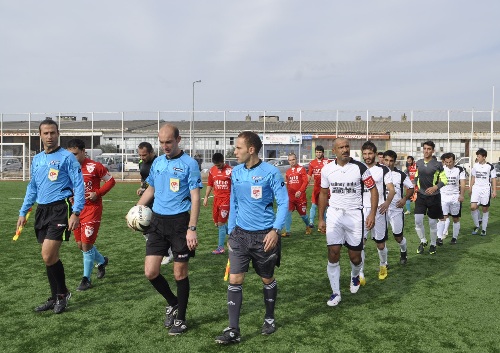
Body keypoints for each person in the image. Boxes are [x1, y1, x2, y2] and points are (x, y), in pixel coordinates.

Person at [215, 131, 288, 344]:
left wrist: (275, 230)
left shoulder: (271, 173)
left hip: (264, 236)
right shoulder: (235, 172)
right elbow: (234, 202)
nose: (234, 152)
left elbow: (283, 202)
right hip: (239, 235)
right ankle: (233, 330)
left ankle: (270, 318)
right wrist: (230, 232)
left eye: (238, 148)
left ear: (251, 149)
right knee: (235, 279)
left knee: (267, 279)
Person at [136, 123, 202, 335]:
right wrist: (137, 209)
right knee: (151, 271)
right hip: (157, 221)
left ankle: (181, 319)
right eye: (162, 142)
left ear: (178, 140)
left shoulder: (190, 164)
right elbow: (152, 189)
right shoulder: (157, 163)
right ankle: (173, 303)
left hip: (180, 223)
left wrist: (192, 228)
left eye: (169, 142)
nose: (165, 146)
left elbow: (195, 197)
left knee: (179, 273)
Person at [17, 119, 85, 314]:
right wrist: (23, 211)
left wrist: (76, 212)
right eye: (45, 133)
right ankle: (56, 295)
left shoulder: (67, 158)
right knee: (50, 258)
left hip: (60, 209)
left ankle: (62, 294)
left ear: (58, 134)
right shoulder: (37, 159)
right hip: (42, 210)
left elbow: (78, 185)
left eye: (52, 133)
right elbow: (33, 187)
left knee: (47, 254)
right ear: (40, 135)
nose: (49, 136)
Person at [318, 138, 377, 307]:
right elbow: (323, 194)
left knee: (355, 258)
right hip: (335, 215)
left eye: (347, 147)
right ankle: (336, 293)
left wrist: (372, 213)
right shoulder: (327, 169)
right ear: (334, 151)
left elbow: (373, 191)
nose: (345, 150)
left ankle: (355, 275)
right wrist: (321, 218)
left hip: (354, 216)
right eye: (341, 147)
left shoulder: (360, 167)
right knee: (333, 253)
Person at [67, 139, 116, 291]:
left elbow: (111, 181)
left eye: (75, 154)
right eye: (70, 155)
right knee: (80, 245)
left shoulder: (94, 166)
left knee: (87, 244)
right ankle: (101, 261)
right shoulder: (68, 167)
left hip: (92, 209)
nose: (72, 158)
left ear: (83, 151)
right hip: (76, 211)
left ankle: (86, 279)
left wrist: (98, 193)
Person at [360, 141, 395, 283]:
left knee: (380, 244)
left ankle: (382, 265)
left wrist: (387, 202)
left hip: (379, 210)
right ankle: (360, 273)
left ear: (375, 154)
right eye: (365, 154)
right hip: (361, 210)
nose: (367, 156)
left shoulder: (384, 170)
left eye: (370, 153)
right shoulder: (358, 168)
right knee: (360, 243)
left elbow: (391, 189)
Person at [137, 142, 172, 265]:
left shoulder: (159, 163)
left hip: (159, 199)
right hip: (147, 198)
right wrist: (142, 188)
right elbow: (144, 179)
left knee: (157, 227)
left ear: (152, 152)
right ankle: (160, 251)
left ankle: (167, 253)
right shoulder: (141, 163)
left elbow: (162, 182)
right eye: (140, 155)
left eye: (144, 155)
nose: (142, 158)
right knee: (143, 226)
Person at [413, 141, 448, 255]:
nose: (426, 151)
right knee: (418, 221)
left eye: (429, 149)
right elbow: (416, 177)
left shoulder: (438, 165)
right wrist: (414, 188)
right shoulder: (418, 163)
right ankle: (423, 241)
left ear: (433, 151)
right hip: (421, 196)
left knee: (432, 223)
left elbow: (444, 180)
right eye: (425, 148)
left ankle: (433, 244)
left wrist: (435, 187)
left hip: (434, 197)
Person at [383, 150, 414, 264]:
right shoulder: (377, 172)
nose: (388, 163)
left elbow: (411, 188)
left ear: (395, 162)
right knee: (381, 239)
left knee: (398, 237)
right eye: (386, 160)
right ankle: (384, 264)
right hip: (381, 210)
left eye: (391, 161)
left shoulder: (400, 175)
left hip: (396, 209)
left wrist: (405, 199)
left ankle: (403, 251)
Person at [203, 152, 232, 254]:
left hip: (226, 200)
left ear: (223, 161)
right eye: (216, 165)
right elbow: (210, 184)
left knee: (221, 223)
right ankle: (234, 234)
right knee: (217, 224)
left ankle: (221, 248)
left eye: (219, 165)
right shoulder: (212, 170)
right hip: (216, 200)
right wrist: (206, 197)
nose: (218, 167)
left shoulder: (230, 171)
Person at [437, 153, 466, 244]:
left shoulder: (460, 169)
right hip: (443, 196)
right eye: (447, 162)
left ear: (454, 160)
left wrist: (461, 195)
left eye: (450, 162)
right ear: (444, 161)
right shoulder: (441, 169)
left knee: (455, 218)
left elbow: (462, 183)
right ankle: (439, 238)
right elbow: (438, 182)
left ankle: (454, 238)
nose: (449, 164)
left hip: (455, 197)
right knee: (442, 217)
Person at [470, 148, 497, 236]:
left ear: (484, 157)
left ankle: (484, 229)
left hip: (486, 189)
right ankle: (477, 225)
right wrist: (470, 188)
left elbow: (493, 179)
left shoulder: (490, 167)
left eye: (479, 156)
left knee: (484, 209)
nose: (477, 158)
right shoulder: (475, 166)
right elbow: (473, 177)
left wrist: (494, 191)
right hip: (476, 188)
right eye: (477, 156)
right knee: (473, 207)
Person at [283, 153, 310, 236]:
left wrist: (300, 191)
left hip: (300, 197)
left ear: (296, 159)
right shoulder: (288, 172)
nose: (292, 161)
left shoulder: (301, 169)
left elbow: (305, 181)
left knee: (303, 215)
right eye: (290, 160)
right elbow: (288, 184)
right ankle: (287, 231)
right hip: (291, 197)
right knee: (288, 212)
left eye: (293, 159)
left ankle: (308, 226)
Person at [307, 145, 330, 232]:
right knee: (313, 205)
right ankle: (311, 222)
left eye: (320, 152)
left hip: (326, 188)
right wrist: (304, 187)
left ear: (323, 153)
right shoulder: (312, 163)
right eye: (317, 152)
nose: (318, 154)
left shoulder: (327, 162)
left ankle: (325, 222)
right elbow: (309, 175)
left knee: (325, 206)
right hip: (316, 188)